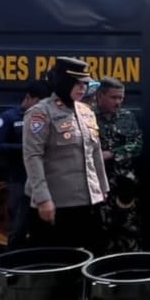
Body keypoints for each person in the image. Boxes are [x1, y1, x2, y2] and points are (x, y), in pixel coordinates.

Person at [22, 57, 108, 253]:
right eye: (76, 84)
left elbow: (94, 152)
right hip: (58, 204)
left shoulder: (86, 112)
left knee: (91, 258)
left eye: (85, 84)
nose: (82, 89)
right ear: (63, 82)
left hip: (89, 202)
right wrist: (43, 199)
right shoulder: (40, 113)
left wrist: (102, 188)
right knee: (58, 261)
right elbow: (32, 157)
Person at [0, 81, 49, 250]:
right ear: (29, 98)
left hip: (41, 182)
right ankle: (10, 269)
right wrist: (27, 148)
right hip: (19, 180)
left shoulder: (44, 118)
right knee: (17, 227)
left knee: (41, 229)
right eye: (40, 102)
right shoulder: (8, 118)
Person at [95, 77, 143, 254]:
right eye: (113, 97)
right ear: (100, 96)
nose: (118, 102)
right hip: (98, 184)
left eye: (121, 98)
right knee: (101, 230)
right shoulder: (88, 118)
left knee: (129, 229)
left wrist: (113, 154)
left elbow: (137, 145)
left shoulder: (127, 117)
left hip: (124, 184)